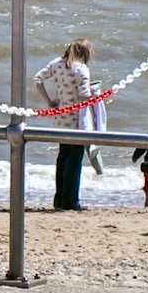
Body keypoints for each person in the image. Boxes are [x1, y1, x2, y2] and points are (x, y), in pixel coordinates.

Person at [35, 36, 96, 211]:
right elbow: (84, 95)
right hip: (77, 120)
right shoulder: (81, 69)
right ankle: (71, 201)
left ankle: (59, 198)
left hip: (60, 118)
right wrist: (97, 96)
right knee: (74, 160)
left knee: (63, 157)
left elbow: (38, 79)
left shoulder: (57, 64)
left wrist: (49, 101)